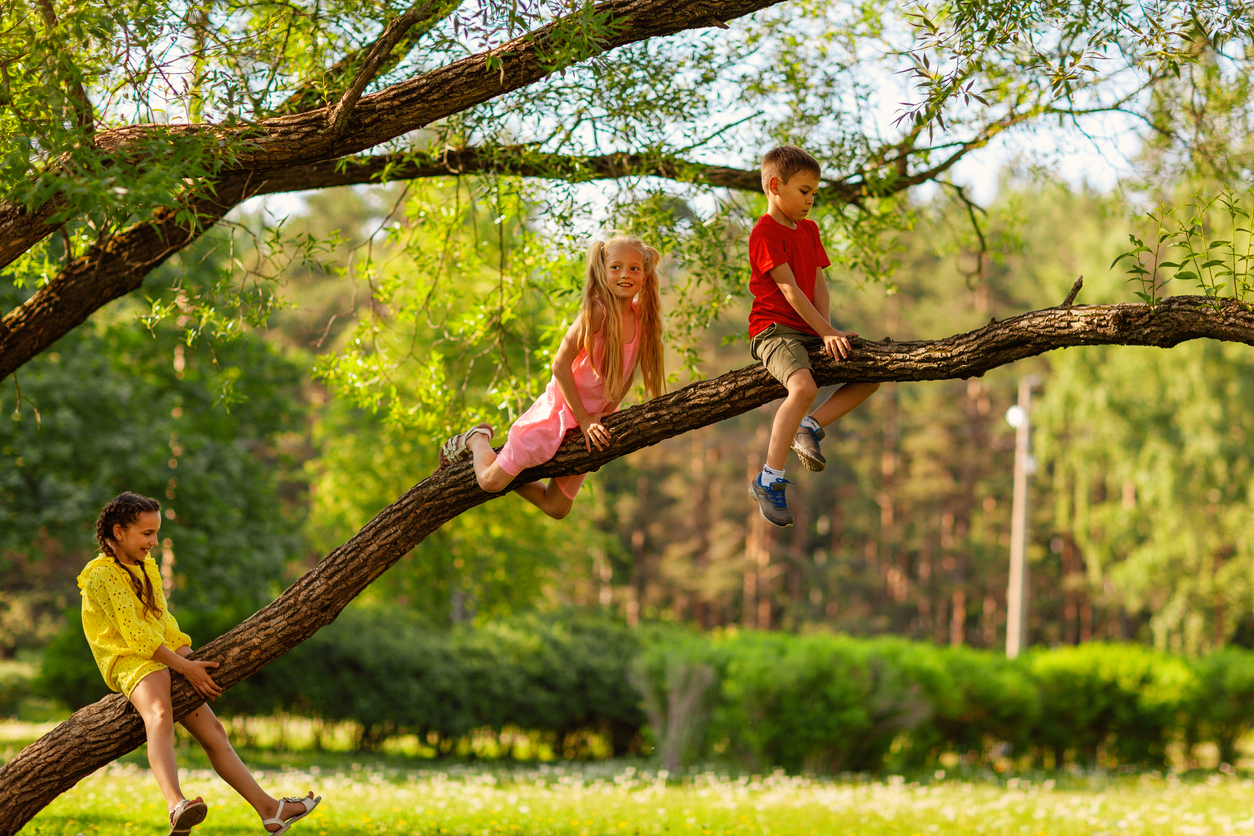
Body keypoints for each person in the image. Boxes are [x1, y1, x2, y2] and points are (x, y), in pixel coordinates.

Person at [79, 491, 321, 836]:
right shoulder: (101, 573)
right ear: (119, 532)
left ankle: (270, 810)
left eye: (156, 533)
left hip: (161, 653)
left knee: (214, 732)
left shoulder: (146, 567)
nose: (154, 542)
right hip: (128, 660)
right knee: (160, 714)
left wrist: (190, 658)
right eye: (146, 534)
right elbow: (135, 636)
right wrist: (183, 668)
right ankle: (175, 803)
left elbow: (162, 623)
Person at [439, 235, 666, 519]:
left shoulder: (641, 319)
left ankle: (512, 468)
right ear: (603, 272)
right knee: (490, 482)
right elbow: (560, 366)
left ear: (645, 277)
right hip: (561, 412)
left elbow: (627, 373)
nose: (625, 274)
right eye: (616, 267)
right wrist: (583, 418)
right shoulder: (596, 312)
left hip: (594, 419)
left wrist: (606, 414)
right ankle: (477, 440)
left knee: (557, 507)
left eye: (634, 268)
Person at [747, 145, 880, 527]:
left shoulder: (809, 229)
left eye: (814, 194)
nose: (810, 200)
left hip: (809, 330)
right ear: (775, 186)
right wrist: (824, 331)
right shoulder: (765, 232)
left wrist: (828, 330)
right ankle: (768, 479)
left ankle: (810, 426)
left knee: (870, 375)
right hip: (774, 330)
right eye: (804, 191)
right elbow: (788, 290)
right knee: (802, 389)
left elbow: (819, 282)